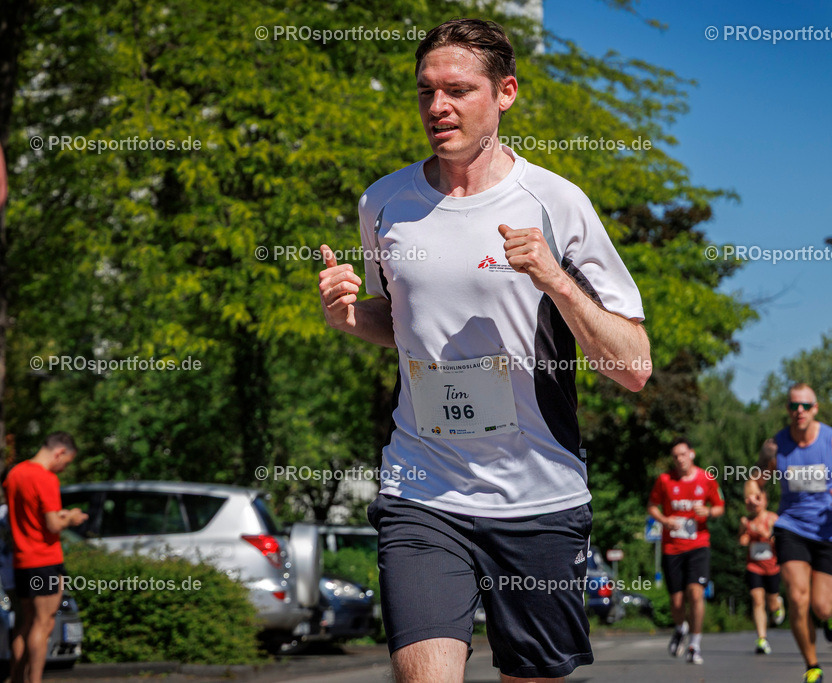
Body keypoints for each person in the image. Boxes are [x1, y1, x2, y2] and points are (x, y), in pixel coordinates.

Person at [318, 18, 651, 683]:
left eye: (458, 90)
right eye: (426, 91)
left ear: (506, 93)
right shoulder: (384, 203)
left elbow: (634, 365)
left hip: (537, 495)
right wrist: (349, 315)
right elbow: (402, 322)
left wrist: (555, 278)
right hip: (422, 486)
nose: (437, 107)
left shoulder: (556, 203)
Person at [752, 383, 832, 683]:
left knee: (820, 605)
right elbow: (756, 479)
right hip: (791, 527)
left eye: (805, 405)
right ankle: (812, 665)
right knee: (796, 597)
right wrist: (752, 494)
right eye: (794, 406)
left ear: (815, 408)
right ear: (788, 409)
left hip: (829, 531)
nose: (800, 411)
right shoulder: (776, 446)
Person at [2, 432, 87, 683]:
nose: (64, 468)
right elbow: (52, 524)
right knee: (44, 623)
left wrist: (59, 516)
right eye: (66, 462)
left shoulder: (15, 474)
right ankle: (35, 680)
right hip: (45, 560)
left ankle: (17, 678)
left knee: (26, 623)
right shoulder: (46, 478)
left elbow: (28, 516)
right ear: (59, 452)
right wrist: (71, 518)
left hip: (21, 559)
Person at [646, 438, 724, 665]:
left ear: (692, 454)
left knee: (696, 593)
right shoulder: (665, 480)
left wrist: (708, 512)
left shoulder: (706, 478)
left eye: (683, 454)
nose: (679, 459)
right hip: (672, 547)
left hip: (698, 544)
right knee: (677, 601)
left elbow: (720, 507)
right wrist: (664, 520)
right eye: (675, 456)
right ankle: (681, 627)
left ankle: (694, 645)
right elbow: (652, 506)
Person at [738, 478, 784, 655]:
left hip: (772, 567)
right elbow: (742, 541)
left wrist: (766, 533)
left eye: (758, 498)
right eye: (750, 499)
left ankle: (777, 605)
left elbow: (780, 541)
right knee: (757, 600)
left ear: (765, 500)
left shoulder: (772, 518)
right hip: (754, 566)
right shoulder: (746, 520)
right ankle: (762, 639)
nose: (754, 503)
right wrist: (744, 532)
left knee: (771, 604)